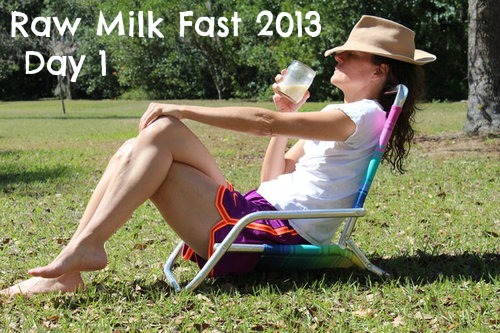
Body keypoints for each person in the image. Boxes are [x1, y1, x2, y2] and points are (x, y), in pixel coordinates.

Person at [1, 15, 435, 296]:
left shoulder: (361, 116)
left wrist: (184, 106)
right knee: (139, 145)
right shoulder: (341, 116)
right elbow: (274, 175)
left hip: (261, 233)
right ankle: (76, 260)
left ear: (380, 70)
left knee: (166, 127)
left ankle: (81, 255)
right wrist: (291, 116)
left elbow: (264, 122)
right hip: (257, 210)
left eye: (351, 53)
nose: (338, 55)